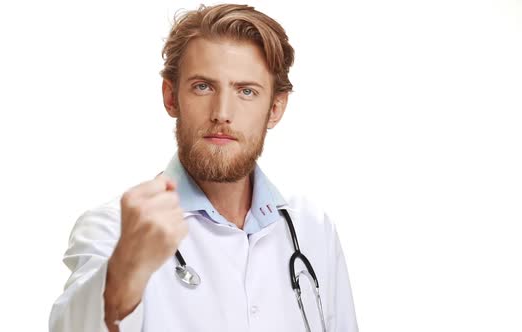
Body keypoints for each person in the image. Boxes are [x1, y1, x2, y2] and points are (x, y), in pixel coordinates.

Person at [49, 3, 358, 332]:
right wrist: (124, 271)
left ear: (276, 109)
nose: (222, 112)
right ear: (171, 97)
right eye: (203, 86)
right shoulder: (114, 228)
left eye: (246, 91)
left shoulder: (313, 229)